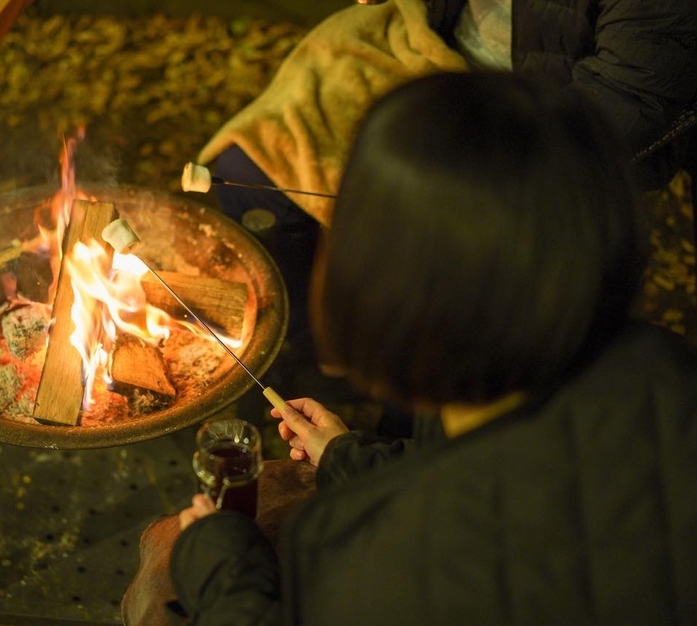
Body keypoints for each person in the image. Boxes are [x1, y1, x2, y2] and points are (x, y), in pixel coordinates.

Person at [167, 71, 697, 625]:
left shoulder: (372, 558)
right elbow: (497, 476)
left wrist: (220, 571)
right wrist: (347, 456)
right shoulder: (663, 365)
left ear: (386, 297)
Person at [198, 0, 697, 347]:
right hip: (431, 49)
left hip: (540, 122)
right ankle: (324, 352)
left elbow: (627, 105)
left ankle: (417, 393)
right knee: (249, 170)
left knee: (435, 254)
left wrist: (475, 173)